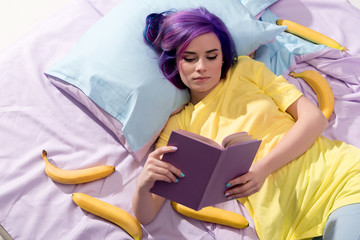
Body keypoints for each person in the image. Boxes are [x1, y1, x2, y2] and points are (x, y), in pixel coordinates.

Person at [132, 7, 360, 240]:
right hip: (288, 229)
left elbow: (314, 119)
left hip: (340, 181)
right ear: (175, 62)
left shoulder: (244, 70)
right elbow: (147, 214)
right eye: (189, 58)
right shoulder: (178, 126)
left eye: (211, 56)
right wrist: (143, 183)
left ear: (223, 58)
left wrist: (262, 169)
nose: (201, 66)